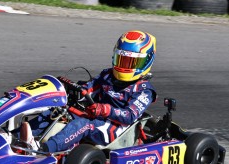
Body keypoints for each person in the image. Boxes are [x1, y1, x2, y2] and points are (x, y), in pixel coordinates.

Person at [21, 30, 157, 153]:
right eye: (121, 60)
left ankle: (41, 149)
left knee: (83, 124)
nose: (123, 66)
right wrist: (77, 91)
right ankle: (15, 137)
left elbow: (130, 115)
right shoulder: (108, 75)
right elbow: (90, 87)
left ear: (145, 62)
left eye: (130, 62)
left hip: (116, 129)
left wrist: (104, 109)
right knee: (56, 111)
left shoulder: (144, 91)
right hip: (95, 115)